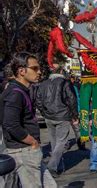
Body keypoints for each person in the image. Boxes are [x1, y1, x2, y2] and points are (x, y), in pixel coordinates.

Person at [0, 52, 48, 188]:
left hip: (26, 151)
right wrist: (32, 142)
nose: (39, 72)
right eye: (34, 68)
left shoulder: (20, 90)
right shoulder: (15, 93)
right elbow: (10, 124)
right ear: (21, 71)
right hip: (24, 151)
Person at [36, 66, 78, 177]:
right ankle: (52, 166)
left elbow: (38, 99)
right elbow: (72, 100)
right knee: (61, 142)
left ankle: (59, 167)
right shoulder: (65, 83)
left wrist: (44, 112)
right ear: (61, 72)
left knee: (54, 142)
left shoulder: (44, 83)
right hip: (62, 116)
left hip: (49, 116)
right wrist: (75, 115)